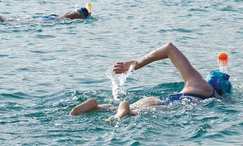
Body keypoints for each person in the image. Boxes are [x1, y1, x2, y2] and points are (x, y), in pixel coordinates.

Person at [70, 42, 231, 119]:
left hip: (157, 100)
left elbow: (169, 48)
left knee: (117, 108)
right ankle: (123, 108)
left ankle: (96, 106)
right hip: (167, 107)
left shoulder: (196, 82)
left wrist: (136, 64)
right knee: (132, 113)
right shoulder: (213, 98)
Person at [1, 4, 91, 22]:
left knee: (29, 20)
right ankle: (5, 20)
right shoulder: (79, 15)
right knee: (29, 21)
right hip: (52, 20)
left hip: (50, 18)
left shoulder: (73, 12)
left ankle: (6, 20)